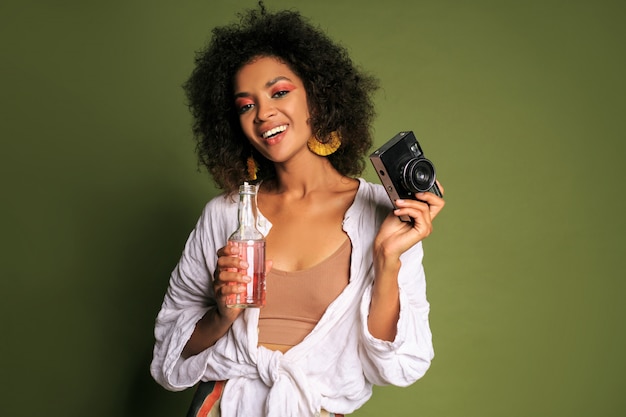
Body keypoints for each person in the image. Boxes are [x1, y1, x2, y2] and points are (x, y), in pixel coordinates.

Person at [150, 3, 445, 417]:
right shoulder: (224, 215)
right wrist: (222, 315)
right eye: (245, 104)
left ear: (317, 98)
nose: (263, 112)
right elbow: (168, 356)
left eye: (280, 92)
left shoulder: (385, 213)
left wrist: (386, 261)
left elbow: (398, 365)